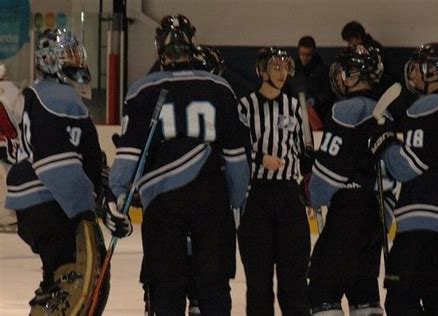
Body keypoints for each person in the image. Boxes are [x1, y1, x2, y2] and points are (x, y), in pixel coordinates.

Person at [104, 14, 250, 315]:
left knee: (167, 288)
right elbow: (236, 157)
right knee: (213, 287)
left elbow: (130, 154)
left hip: (164, 203)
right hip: (212, 199)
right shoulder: (220, 87)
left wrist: (117, 194)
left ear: (160, 48)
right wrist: (235, 200)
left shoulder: (143, 89)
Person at [4, 28, 109, 314]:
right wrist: (86, 208)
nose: (76, 60)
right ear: (51, 60)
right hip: (51, 201)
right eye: (68, 55)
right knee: (79, 279)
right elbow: (56, 163)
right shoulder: (59, 97)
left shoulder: (37, 95)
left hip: (32, 205)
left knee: (56, 279)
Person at [369, 43, 438, 315]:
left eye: (418, 68)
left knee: (399, 302)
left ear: (431, 71)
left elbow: (406, 168)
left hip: (419, 226)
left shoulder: (424, 108)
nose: (413, 73)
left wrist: (386, 143)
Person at [307, 45, 386, 316]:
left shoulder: (344, 110)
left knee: (321, 292)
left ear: (352, 75)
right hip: (375, 217)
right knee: (364, 295)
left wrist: (311, 192)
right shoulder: (383, 112)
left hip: (347, 214)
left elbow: (326, 176)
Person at [237, 47, 312, 316]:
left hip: (288, 197)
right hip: (257, 197)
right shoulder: (245, 106)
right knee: (259, 284)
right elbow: (235, 147)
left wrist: (309, 174)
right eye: (275, 68)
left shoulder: (293, 106)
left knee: (294, 281)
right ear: (262, 71)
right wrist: (259, 158)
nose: (282, 73)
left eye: (284, 68)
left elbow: (303, 150)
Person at [286, 35, 334, 126]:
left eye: (308, 55)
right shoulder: (291, 70)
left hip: (316, 115)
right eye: (302, 54)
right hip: (294, 112)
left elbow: (328, 95)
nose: (305, 58)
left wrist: (315, 100)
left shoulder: (323, 71)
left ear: (313, 53)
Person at [0, 63, 23, 232]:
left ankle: (10, 214)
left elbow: (12, 130)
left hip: (6, 145)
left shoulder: (4, 98)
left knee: (9, 177)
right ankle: (11, 214)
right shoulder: (9, 92)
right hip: (11, 145)